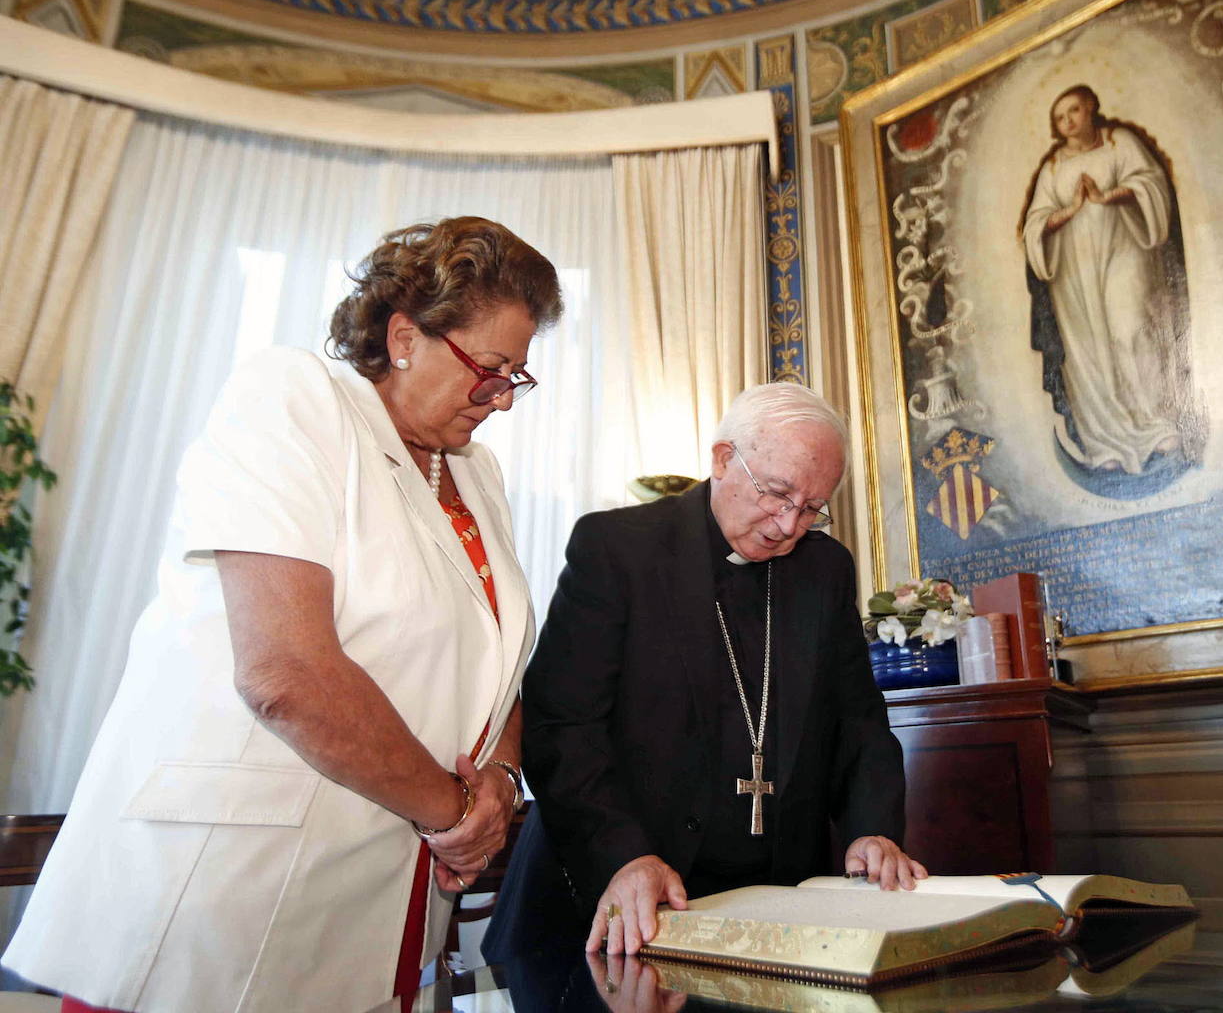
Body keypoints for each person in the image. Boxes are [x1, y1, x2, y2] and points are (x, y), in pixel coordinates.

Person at [3, 217, 561, 1012]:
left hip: (381, 899)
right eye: (490, 369)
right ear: (405, 337)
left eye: (518, 376)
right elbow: (285, 673)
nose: (502, 398)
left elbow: (496, 665)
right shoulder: (296, 399)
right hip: (229, 896)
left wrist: (501, 781)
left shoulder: (479, 475)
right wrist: (456, 815)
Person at [484, 383, 924, 962]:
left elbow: (858, 721)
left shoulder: (825, 569)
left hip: (774, 916)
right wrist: (623, 856)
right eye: (777, 493)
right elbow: (561, 727)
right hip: (617, 908)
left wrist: (874, 829)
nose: (790, 524)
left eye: (813, 507)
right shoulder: (619, 549)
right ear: (722, 460)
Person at [1019, 84, 1202, 476]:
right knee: (1087, 353)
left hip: (1124, 251)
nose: (1068, 122)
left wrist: (1108, 197)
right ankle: (1104, 442)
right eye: (1060, 117)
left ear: (1091, 109)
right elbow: (1035, 223)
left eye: (1073, 111)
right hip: (1074, 272)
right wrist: (1067, 212)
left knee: (1131, 329)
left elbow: (1152, 185)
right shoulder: (1053, 167)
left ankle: (1156, 424)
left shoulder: (1121, 144)